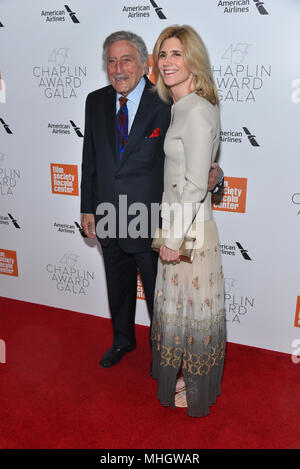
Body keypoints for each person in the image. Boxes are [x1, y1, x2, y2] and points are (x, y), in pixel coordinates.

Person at [80, 30, 223, 369]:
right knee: (117, 285)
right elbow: (90, 159)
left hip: (152, 219)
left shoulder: (168, 102)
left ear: (145, 64)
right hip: (107, 214)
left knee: (162, 298)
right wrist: (87, 206)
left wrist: (216, 178)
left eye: (126, 60)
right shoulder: (95, 101)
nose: (118, 69)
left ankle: (163, 354)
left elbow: (190, 162)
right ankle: (122, 341)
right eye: (111, 61)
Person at [150, 25, 226, 417]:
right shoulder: (186, 106)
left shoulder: (195, 110)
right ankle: (187, 379)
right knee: (181, 313)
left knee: (191, 317)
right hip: (182, 223)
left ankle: (195, 390)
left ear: (193, 60)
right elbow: (201, 173)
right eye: (162, 54)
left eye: (176, 54)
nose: (167, 62)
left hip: (189, 230)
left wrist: (174, 238)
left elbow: (197, 183)